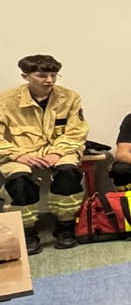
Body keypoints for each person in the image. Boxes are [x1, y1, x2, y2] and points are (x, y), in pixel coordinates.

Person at [0, 54, 87, 254]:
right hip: (19, 151)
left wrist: (57, 153)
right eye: (42, 76)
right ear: (26, 76)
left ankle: (65, 227)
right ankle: (27, 231)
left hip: (58, 148)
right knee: (18, 180)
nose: (49, 80)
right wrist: (17, 155)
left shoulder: (70, 97)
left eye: (53, 75)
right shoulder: (5, 101)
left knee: (68, 172)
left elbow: (76, 131)